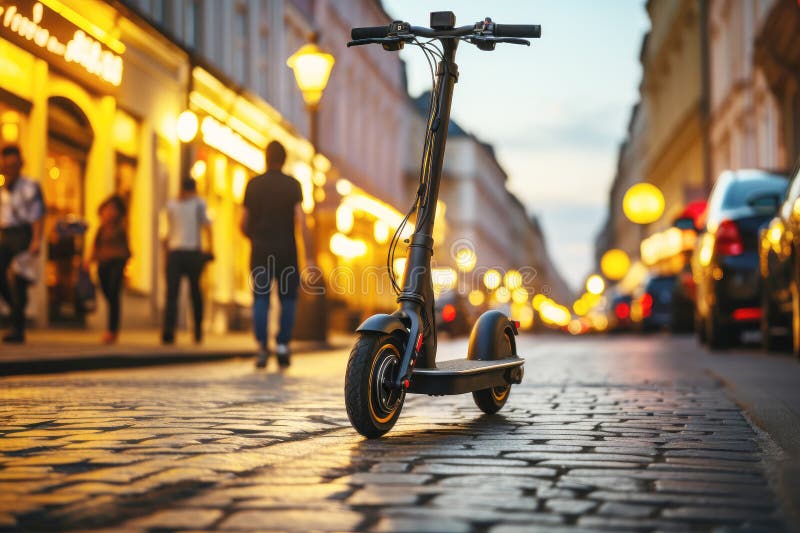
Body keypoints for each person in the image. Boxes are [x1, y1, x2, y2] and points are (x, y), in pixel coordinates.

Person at [241, 140, 314, 368]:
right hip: (286, 251)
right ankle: (282, 345)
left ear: (266, 157)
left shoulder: (253, 185)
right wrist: (309, 254)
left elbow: (242, 222)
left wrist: (253, 236)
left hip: (261, 250)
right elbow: (301, 221)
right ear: (284, 160)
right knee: (288, 299)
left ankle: (262, 347)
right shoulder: (293, 185)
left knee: (261, 299)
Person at [0, 145, 44, 344]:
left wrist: (36, 239)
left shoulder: (29, 186)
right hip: (5, 235)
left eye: (13, 164)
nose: (9, 167)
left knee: (20, 280)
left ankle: (18, 328)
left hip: (23, 235)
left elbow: (37, 214)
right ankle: (16, 312)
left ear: (20, 163)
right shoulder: (3, 188)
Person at [161, 177, 213, 344]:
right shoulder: (185, 204)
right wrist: (210, 248)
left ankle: (188, 330)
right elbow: (208, 226)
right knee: (186, 293)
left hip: (184, 252)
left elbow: (165, 234)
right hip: (185, 252)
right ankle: (174, 330)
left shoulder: (193, 204)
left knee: (185, 293)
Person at [88, 195, 130, 344]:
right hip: (103, 263)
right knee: (106, 291)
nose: (109, 212)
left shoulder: (120, 227)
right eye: (107, 209)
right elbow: (95, 245)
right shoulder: (102, 228)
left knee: (113, 293)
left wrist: (125, 262)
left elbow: (126, 247)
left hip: (117, 263)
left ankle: (112, 330)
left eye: (112, 209)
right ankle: (111, 328)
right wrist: (88, 260)